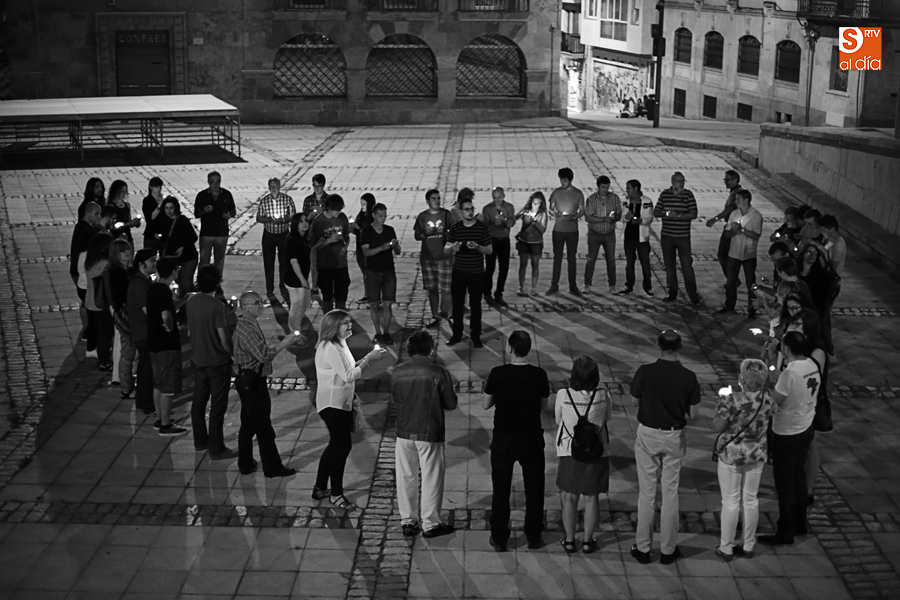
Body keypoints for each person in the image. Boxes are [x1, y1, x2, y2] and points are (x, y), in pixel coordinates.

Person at [630, 330, 701, 564]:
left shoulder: (645, 371)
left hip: (648, 433)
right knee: (670, 492)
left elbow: (634, 401)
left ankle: (643, 548)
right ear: (680, 348)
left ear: (657, 345)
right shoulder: (688, 376)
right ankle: (668, 550)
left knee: (647, 493)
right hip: (673, 435)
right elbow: (695, 414)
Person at [483, 331, 550, 551]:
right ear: (528, 349)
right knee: (534, 489)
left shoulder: (498, 373)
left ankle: (499, 537)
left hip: (504, 439)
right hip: (531, 438)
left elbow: (486, 404)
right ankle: (534, 535)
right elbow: (544, 405)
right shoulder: (539, 374)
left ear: (510, 348)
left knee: (501, 489)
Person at [314, 310, 386, 507]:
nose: (350, 325)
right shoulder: (330, 347)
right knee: (342, 447)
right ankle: (336, 494)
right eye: (345, 323)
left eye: (349, 322)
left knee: (335, 445)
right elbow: (348, 376)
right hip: (333, 406)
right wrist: (369, 359)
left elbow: (349, 367)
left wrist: (368, 359)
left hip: (341, 403)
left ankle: (320, 487)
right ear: (333, 327)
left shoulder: (340, 343)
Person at [391, 330, 458, 539]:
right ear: (430, 350)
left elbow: (396, 400)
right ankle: (430, 523)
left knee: (406, 477)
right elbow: (451, 403)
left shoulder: (397, 372)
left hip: (404, 431)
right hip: (430, 432)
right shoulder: (438, 373)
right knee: (431, 478)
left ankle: (408, 521)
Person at [758, 331, 819, 546]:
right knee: (799, 477)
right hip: (806, 427)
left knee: (785, 484)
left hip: (788, 433)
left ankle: (785, 532)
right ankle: (800, 523)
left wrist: (765, 387)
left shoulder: (790, 374)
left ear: (785, 349)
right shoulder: (811, 365)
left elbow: (775, 401)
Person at [233, 292, 303, 476]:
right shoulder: (247, 329)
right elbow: (263, 355)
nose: (260, 305)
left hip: (249, 380)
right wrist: (285, 343)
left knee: (248, 424)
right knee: (263, 427)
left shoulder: (249, 324)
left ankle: (245, 463)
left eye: (260, 302)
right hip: (253, 383)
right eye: (256, 303)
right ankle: (272, 467)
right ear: (245, 307)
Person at [712, 358, 775, 561]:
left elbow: (718, 427)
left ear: (742, 379)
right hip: (756, 454)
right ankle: (748, 544)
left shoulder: (733, 400)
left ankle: (726, 547)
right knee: (751, 499)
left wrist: (721, 401)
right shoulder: (768, 397)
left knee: (730, 500)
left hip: (733, 455)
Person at [555, 356, 611, 554]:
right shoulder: (603, 394)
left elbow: (558, 420)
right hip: (597, 451)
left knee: (569, 497)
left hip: (570, 451)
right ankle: (588, 541)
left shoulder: (563, 395)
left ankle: (570, 540)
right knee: (592, 497)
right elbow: (607, 418)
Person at [186, 265, 236, 460]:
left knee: (199, 401)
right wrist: (232, 355)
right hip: (217, 361)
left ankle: (200, 441)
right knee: (217, 405)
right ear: (217, 283)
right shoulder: (217, 307)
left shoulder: (191, 301)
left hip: (198, 358)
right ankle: (216, 448)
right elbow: (224, 338)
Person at [783, 309, 830, 506]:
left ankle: (808, 489)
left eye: (797, 324)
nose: (791, 326)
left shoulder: (817, 352)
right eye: (792, 322)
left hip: (809, 403)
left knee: (811, 446)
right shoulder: (792, 344)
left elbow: (811, 380)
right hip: (793, 402)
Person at [146, 257, 190, 436]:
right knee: (168, 387)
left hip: (154, 343)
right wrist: (171, 328)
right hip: (166, 345)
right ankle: (165, 425)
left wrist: (184, 300)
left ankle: (159, 420)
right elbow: (166, 315)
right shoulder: (164, 290)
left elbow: (167, 309)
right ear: (173, 271)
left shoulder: (154, 288)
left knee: (158, 384)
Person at [445, 191, 492, 348]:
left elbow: (489, 250)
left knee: (475, 306)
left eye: (472, 208)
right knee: (457, 305)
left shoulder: (481, 228)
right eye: (467, 209)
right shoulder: (456, 228)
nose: (470, 212)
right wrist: (453, 247)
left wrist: (478, 247)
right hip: (459, 272)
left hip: (476, 273)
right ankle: (457, 334)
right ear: (461, 211)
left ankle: (475, 335)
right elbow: (446, 248)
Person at [654, 172, 701, 306]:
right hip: (667, 236)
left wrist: (679, 215)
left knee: (687, 267)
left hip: (682, 237)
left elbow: (694, 213)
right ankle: (672, 292)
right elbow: (656, 211)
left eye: (683, 181)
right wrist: (667, 213)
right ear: (673, 181)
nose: (681, 183)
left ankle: (693, 296)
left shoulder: (688, 195)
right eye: (679, 181)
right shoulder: (665, 194)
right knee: (669, 267)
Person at [719, 189, 763, 319]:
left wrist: (742, 230)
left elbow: (756, 235)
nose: (735, 201)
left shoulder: (756, 216)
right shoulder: (734, 214)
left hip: (749, 254)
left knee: (751, 283)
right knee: (731, 281)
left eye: (738, 199)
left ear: (746, 200)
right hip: (734, 253)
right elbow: (727, 233)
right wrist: (733, 231)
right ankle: (729, 305)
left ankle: (752, 308)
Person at [413, 189, 454, 328]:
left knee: (446, 289)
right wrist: (426, 233)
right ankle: (435, 315)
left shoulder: (446, 214)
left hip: (444, 257)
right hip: (428, 258)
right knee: (432, 289)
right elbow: (417, 236)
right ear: (427, 201)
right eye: (434, 198)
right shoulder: (422, 217)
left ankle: (450, 315)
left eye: (438, 198)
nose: (437, 201)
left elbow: (454, 231)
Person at [361, 203, 400, 345]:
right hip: (373, 273)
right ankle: (378, 332)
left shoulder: (390, 230)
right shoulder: (367, 232)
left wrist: (395, 246)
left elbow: (398, 251)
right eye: (380, 216)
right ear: (374, 215)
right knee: (374, 305)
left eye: (385, 216)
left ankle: (386, 333)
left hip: (388, 272)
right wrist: (381, 248)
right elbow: (366, 252)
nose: (383, 219)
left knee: (387, 305)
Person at [309, 194, 352, 313]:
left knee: (342, 292)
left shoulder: (342, 217)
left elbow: (347, 236)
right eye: (336, 210)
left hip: (341, 263)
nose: (339, 212)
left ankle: (341, 316)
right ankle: (328, 317)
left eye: (340, 209)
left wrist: (345, 246)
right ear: (328, 208)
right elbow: (313, 246)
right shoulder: (318, 221)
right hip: (325, 264)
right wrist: (327, 241)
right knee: (327, 293)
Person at [127, 249, 158, 414]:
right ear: (141, 264)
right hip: (143, 331)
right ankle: (147, 403)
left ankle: (142, 401)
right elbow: (147, 310)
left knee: (144, 368)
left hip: (144, 331)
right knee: (147, 370)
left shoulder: (144, 281)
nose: (155, 263)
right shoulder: (138, 284)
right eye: (151, 260)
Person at [104, 238, 135, 396]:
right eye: (123, 251)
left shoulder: (125, 269)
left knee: (127, 349)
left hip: (124, 312)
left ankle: (126, 382)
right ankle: (126, 387)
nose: (127, 253)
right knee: (127, 351)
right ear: (116, 254)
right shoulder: (117, 272)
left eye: (128, 249)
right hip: (124, 314)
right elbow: (121, 296)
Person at [257, 177, 296, 301]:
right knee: (268, 262)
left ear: (280, 186)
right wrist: (268, 219)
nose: (274, 189)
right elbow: (258, 218)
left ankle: (283, 285)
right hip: (269, 234)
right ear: (269, 187)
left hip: (283, 234)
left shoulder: (287, 199)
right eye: (272, 186)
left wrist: (283, 220)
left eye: (276, 186)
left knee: (284, 262)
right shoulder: (264, 201)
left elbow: (293, 216)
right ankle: (269, 288)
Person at [547, 167, 585, 296]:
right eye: (561, 180)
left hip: (572, 230)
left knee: (571, 258)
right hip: (558, 230)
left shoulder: (578, 194)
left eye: (564, 180)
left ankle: (573, 286)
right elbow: (550, 209)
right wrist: (556, 214)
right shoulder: (556, 193)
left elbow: (582, 210)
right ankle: (554, 285)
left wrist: (574, 216)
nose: (562, 183)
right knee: (557, 258)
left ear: (570, 179)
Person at [583, 175, 621, 295]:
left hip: (609, 234)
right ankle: (587, 284)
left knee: (611, 260)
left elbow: (619, 214)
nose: (605, 190)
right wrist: (604, 219)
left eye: (607, 187)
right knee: (591, 260)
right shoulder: (592, 199)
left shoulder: (614, 198)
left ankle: (612, 285)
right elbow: (588, 217)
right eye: (603, 187)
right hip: (595, 233)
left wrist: (615, 217)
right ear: (598, 187)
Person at [194, 171, 236, 275]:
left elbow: (233, 210)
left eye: (217, 181)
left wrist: (229, 215)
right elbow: (197, 214)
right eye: (212, 182)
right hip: (206, 233)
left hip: (221, 233)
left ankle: (217, 281)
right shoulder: (202, 195)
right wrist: (205, 211)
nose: (215, 184)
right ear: (208, 182)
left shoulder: (226, 194)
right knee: (204, 260)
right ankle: (202, 280)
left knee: (219, 261)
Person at [481, 187, 516, 308]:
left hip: (504, 240)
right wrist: (492, 224)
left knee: (504, 268)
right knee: (490, 268)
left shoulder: (509, 207)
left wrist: (504, 220)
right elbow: (484, 227)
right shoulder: (487, 209)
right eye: (494, 197)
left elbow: (511, 223)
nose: (497, 200)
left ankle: (499, 293)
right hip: (491, 241)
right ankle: (487, 293)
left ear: (504, 196)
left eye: (499, 197)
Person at [705, 170, 744, 281]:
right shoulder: (740, 192)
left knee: (723, 254)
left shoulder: (735, 194)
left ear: (735, 180)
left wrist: (714, 219)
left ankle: (733, 280)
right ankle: (733, 279)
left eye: (728, 180)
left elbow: (729, 209)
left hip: (732, 227)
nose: (725, 182)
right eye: (725, 179)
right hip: (738, 226)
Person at [84, 231, 115, 371]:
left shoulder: (90, 261)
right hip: (100, 303)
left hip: (90, 300)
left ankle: (100, 354)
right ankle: (104, 361)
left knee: (98, 330)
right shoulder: (105, 264)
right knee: (105, 333)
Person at [71, 200, 100, 344]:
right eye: (96, 214)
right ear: (88, 214)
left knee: (86, 304)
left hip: (80, 274)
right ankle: (87, 331)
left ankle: (87, 331)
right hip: (82, 277)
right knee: (86, 305)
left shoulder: (84, 227)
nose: (99, 217)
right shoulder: (85, 229)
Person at [157, 196, 199, 294]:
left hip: (188, 257)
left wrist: (183, 247)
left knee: (187, 283)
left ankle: (196, 299)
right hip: (174, 258)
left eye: (171, 208)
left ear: (176, 208)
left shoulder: (182, 220)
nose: (169, 211)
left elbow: (193, 237)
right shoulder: (163, 220)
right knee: (179, 284)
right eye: (166, 208)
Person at [621, 179, 654, 296]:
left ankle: (647, 287)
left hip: (642, 238)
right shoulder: (625, 201)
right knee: (629, 263)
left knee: (645, 263)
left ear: (635, 189)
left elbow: (649, 217)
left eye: (628, 188)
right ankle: (629, 285)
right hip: (629, 237)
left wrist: (639, 220)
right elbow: (623, 217)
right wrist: (627, 217)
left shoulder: (647, 201)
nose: (626, 190)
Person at [818, 214, 845, 358]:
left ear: (832, 229)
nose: (822, 233)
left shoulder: (838, 245)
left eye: (824, 230)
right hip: (826, 283)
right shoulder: (830, 241)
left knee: (823, 319)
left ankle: (829, 350)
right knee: (824, 317)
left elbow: (831, 267)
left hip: (831, 285)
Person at [284, 212, 312, 346]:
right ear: (295, 224)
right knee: (296, 307)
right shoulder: (294, 240)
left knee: (304, 303)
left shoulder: (303, 238)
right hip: (295, 281)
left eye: (306, 220)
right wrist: (302, 280)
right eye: (301, 221)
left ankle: (296, 331)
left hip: (302, 279)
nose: (305, 223)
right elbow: (294, 261)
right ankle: (294, 335)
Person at [514, 192, 548, 297]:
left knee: (535, 265)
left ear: (541, 204)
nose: (535, 205)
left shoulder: (543, 214)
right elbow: (514, 218)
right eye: (533, 203)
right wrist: (521, 214)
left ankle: (533, 288)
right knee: (523, 264)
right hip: (524, 241)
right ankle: (521, 287)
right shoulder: (526, 211)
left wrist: (536, 223)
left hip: (536, 243)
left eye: (537, 204)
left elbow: (543, 230)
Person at [303, 173, 329, 295]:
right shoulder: (308, 200)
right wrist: (310, 216)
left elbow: (332, 217)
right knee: (313, 263)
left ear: (323, 185)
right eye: (314, 186)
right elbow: (303, 220)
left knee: (327, 263)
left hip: (326, 235)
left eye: (319, 186)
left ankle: (327, 286)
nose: (317, 188)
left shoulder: (329, 200)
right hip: (312, 236)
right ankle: (314, 287)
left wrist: (322, 213)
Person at [351, 193, 376, 302]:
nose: (362, 206)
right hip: (359, 248)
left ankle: (372, 295)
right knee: (365, 273)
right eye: (361, 204)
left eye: (364, 204)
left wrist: (359, 228)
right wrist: (352, 228)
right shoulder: (360, 215)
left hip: (368, 248)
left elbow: (370, 232)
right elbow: (355, 231)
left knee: (369, 273)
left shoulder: (372, 217)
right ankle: (367, 294)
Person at [142, 176, 165, 253]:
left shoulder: (164, 199)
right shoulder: (147, 200)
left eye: (160, 187)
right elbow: (151, 217)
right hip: (151, 234)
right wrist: (160, 205)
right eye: (156, 187)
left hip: (163, 234)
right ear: (151, 187)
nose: (159, 189)